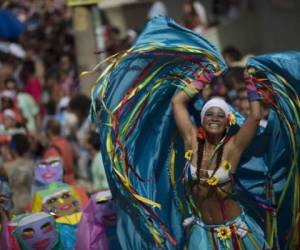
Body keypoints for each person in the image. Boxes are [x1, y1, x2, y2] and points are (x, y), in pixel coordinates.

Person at [171, 73, 267, 248]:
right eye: (209, 114)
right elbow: (178, 102)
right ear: (202, 119)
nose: (214, 118)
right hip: (201, 233)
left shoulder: (232, 148)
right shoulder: (191, 142)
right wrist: (206, 75)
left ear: (227, 121)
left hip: (234, 232)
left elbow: (255, 116)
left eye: (220, 115)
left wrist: (249, 81)